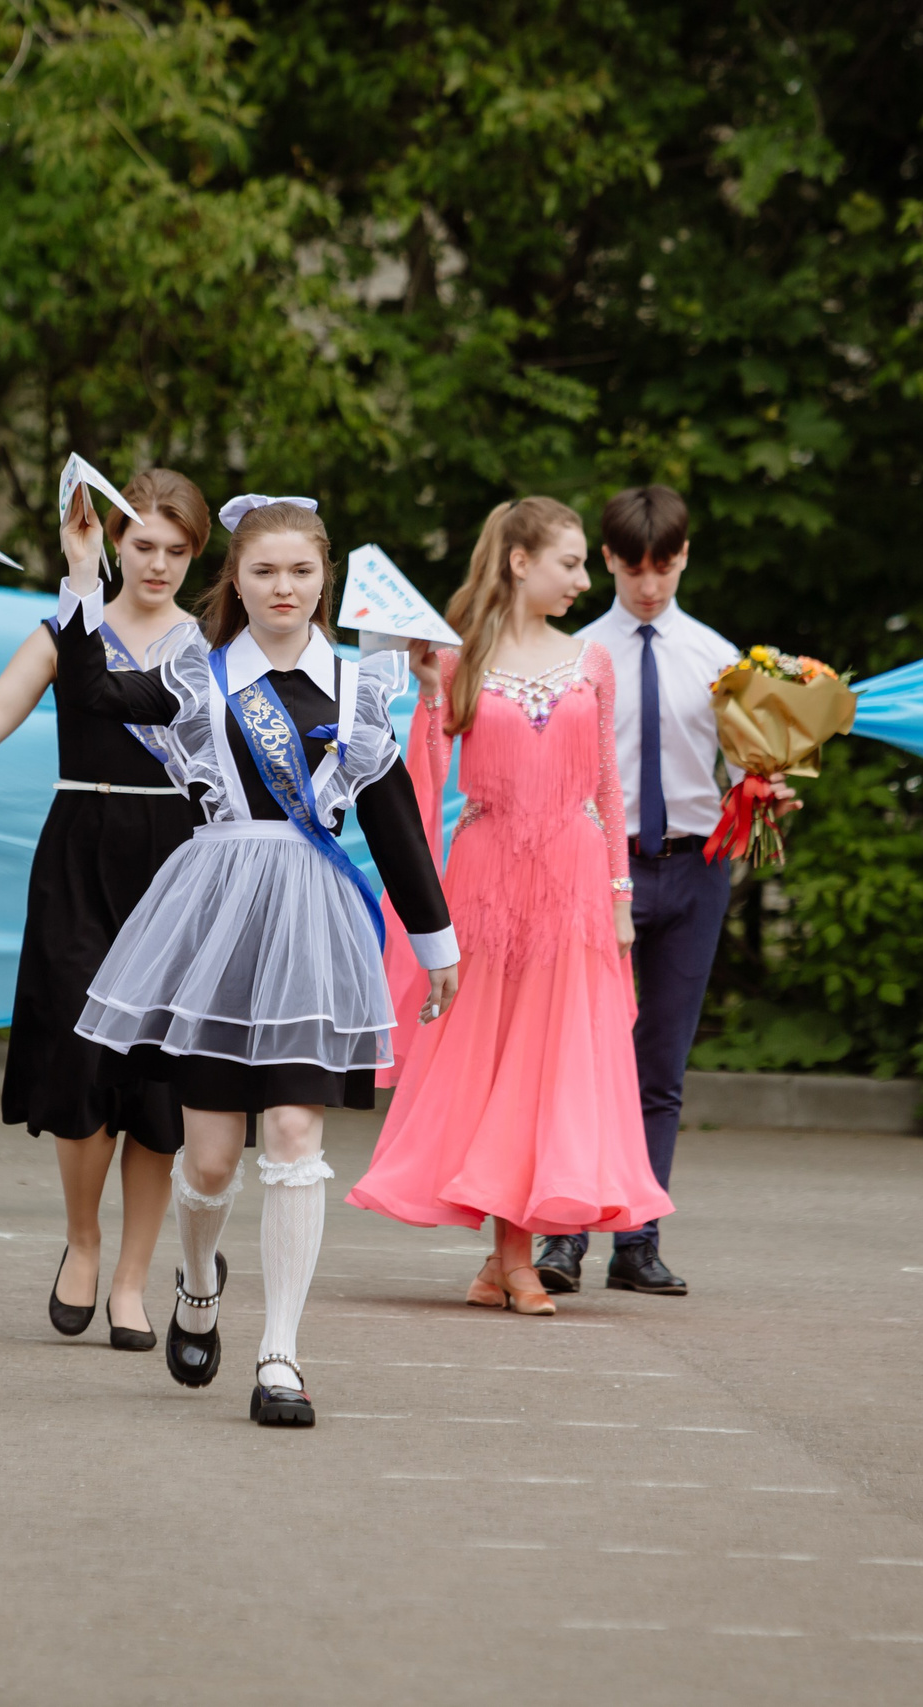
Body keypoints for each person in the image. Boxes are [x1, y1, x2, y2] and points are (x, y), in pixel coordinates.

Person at [55, 495, 460, 1428]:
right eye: (265, 571)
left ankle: (280, 1352)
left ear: (327, 581)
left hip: (312, 927)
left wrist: (434, 941)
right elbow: (90, 692)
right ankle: (198, 1281)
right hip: (217, 922)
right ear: (234, 578)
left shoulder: (363, 690)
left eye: (302, 572)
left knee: (293, 1137)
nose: (285, 588)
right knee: (208, 1161)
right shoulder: (198, 675)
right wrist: (84, 576)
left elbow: (395, 828)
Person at [347, 497, 673, 1312]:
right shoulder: (461, 657)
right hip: (485, 878)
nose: (583, 578)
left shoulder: (590, 661)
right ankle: (511, 1257)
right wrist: (426, 694)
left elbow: (605, 783)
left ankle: (509, 1257)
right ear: (520, 561)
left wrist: (619, 892)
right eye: (570, 562)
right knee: (491, 1065)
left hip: (572, 884)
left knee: (549, 1065)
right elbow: (422, 768)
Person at [0, 468, 208, 1350]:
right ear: (113, 543)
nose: (156, 564)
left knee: (161, 1082)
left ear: (197, 555)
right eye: (142, 545)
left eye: (176, 549)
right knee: (83, 1062)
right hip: (81, 850)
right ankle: (82, 1240)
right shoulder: (66, 632)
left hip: (183, 859)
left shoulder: (215, 647)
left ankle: (133, 1274)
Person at [544, 485, 752, 1297]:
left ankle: (638, 1234)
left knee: (659, 1064)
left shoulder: (721, 660)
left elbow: (745, 769)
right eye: (633, 567)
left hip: (696, 865)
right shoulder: (575, 654)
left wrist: (768, 791)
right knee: (579, 1054)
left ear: (686, 556)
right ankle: (563, 1235)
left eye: (664, 566)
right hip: (597, 864)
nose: (650, 584)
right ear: (606, 562)